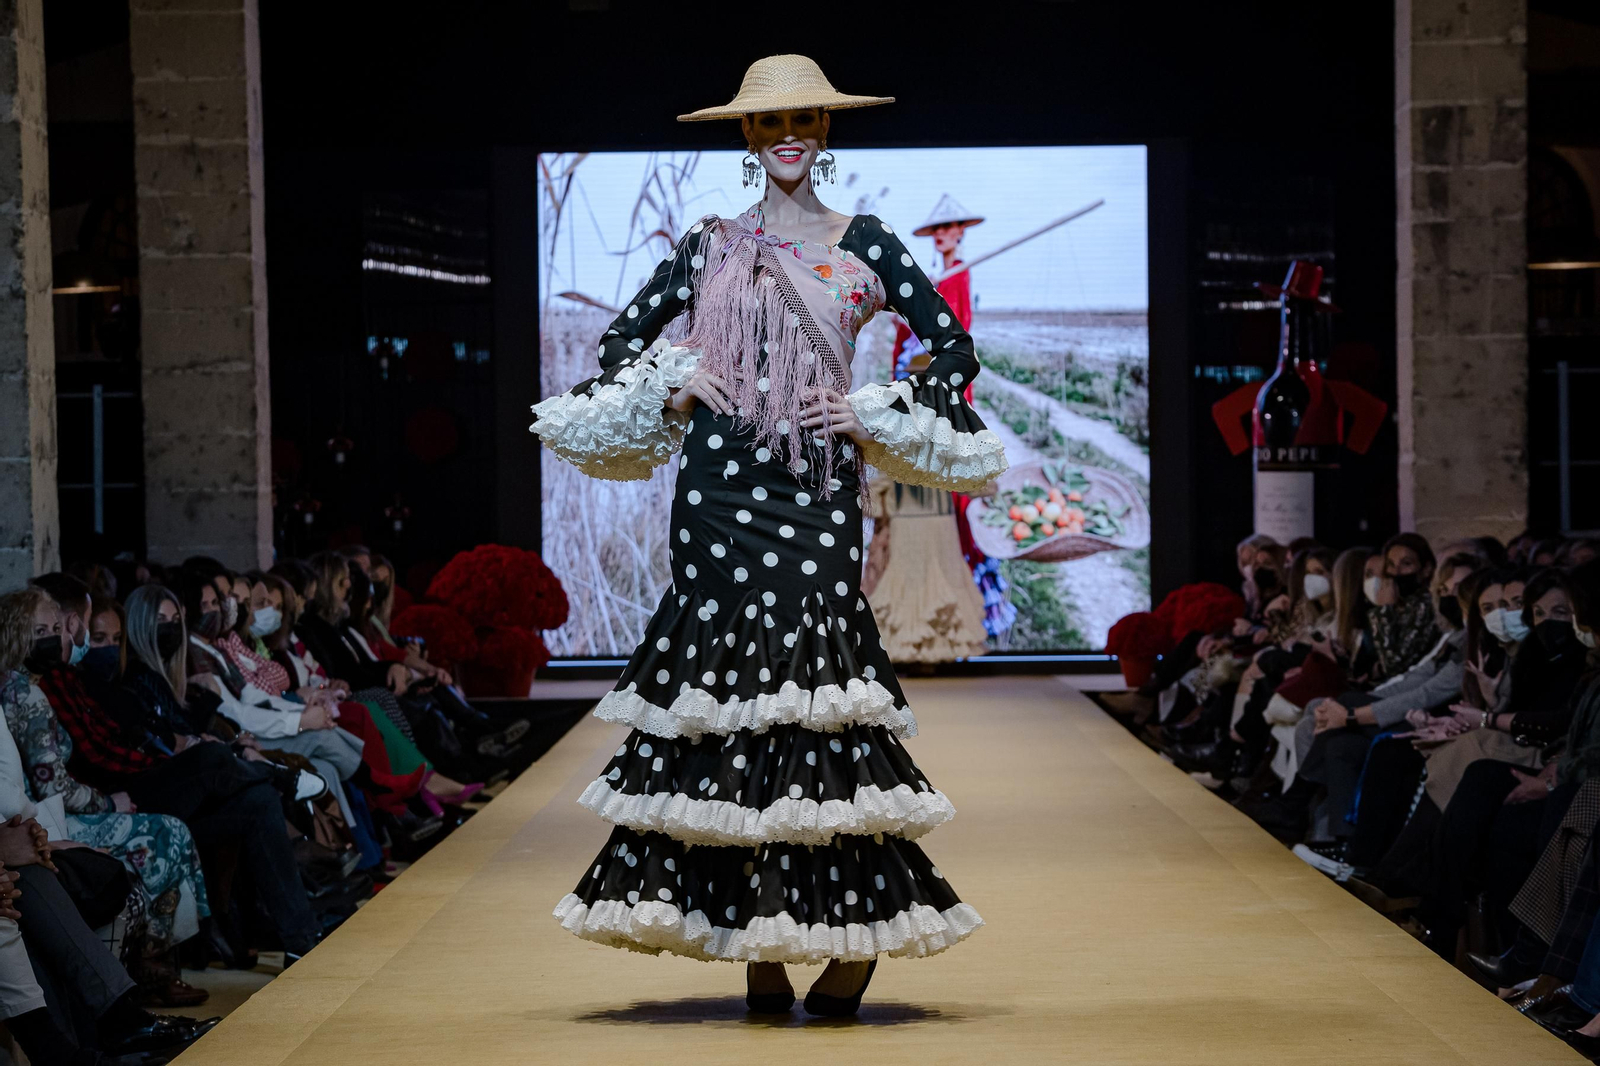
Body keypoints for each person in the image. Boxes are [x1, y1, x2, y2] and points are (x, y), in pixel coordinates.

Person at [530, 54, 1005, 1016]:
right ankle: (758, 939)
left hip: (814, 484)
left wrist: (870, 412)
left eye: (804, 118)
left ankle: (849, 930)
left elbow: (955, 350)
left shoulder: (866, 242)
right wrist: (674, 384)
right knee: (731, 706)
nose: (786, 132)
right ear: (745, 137)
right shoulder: (709, 245)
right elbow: (621, 343)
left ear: (826, 131)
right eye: (766, 121)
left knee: (814, 706)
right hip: (714, 497)